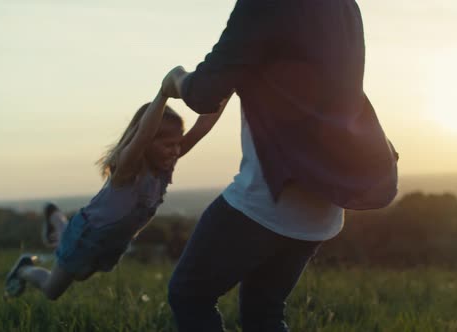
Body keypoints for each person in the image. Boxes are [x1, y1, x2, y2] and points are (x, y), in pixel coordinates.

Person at [162, 0, 399, 331]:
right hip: (327, 196)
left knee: (189, 295)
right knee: (264, 312)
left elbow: (204, 92)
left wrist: (178, 79)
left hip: (271, 194)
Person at [3, 75, 225, 301]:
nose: (176, 150)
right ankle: (24, 269)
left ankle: (57, 221)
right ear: (148, 144)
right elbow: (142, 136)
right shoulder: (129, 171)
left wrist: (231, 85)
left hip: (110, 243)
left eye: (178, 143)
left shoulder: (164, 167)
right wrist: (163, 94)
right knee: (52, 290)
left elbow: (202, 126)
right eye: (169, 144)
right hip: (86, 238)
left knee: (79, 275)